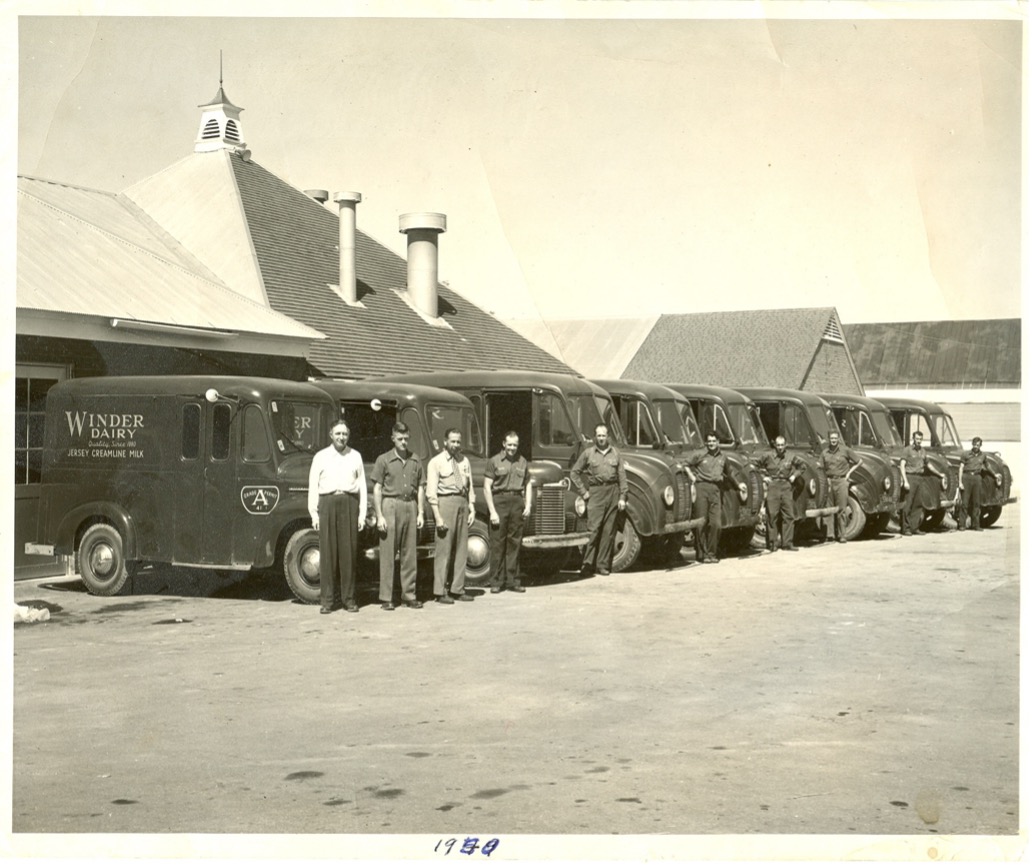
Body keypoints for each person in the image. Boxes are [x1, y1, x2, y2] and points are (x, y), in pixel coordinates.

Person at [308, 421, 367, 614]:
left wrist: (362, 514)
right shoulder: (320, 457)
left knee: (348, 553)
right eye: (338, 434)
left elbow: (363, 487)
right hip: (327, 503)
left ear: (348, 435)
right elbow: (313, 486)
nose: (341, 437)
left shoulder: (355, 455)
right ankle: (327, 601)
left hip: (349, 503)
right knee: (328, 553)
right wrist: (314, 514)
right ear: (330, 435)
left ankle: (349, 599)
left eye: (344, 434)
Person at [371, 422, 425, 610]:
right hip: (390, 505)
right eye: (399, 439)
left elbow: (420, 487)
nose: (403, 442)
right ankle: (386, 598)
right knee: (388, 553)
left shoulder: (415, 460)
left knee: (409, 553)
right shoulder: (383, 460)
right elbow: (377, 488)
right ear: (393, 438)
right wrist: (379, 516)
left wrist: (421, 513)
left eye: (406, 439)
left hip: (410, 505)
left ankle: (409, 595)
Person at [426, 428, 476, 604]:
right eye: (452, 441)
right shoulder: (436, 462)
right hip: (445, 503)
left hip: (462, 504)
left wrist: (471, 506)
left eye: (458, 442)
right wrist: (438, 517)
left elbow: (469, 487)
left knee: (462, 549)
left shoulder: (464, 461)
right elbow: (431, 493)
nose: (455, 445)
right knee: (444, 549)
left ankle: (457, 588)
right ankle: (440, 591)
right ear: (445, 441)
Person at [571, 424, 628, 577]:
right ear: (595, 437)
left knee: (608, 532)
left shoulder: (616, 453)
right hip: (595, 493)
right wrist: (584, 492)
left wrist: (622, 497)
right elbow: (574, 473)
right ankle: (587, 565)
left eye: (604, 435)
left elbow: (622, 477)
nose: (601, 438)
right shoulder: (588, 453)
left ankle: (602, 565)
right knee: (593, 530)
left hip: (613, 492)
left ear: (607, 436)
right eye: (599, 436)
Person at [683, 432, 747, 564]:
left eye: (713, 441)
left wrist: (739, 485)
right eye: (709, 441)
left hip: (716, 490)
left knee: (716, 524)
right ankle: (702, 554)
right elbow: (685, 464)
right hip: (702, 489)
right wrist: (693, 478)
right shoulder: (700, 454)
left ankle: (712, 553)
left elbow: (730, 473)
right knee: (701, 522)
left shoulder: (723, 457)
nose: (711, 443)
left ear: (718, 442)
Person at [484, 431, 533, 594]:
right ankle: (496, 581)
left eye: (515, 445)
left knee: (515, 542)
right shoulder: (494, 461)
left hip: (516, 502)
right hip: (500, 501)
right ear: (504, 444)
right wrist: (492, 511)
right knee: (497, 542)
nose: (512, 448)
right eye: (510, 444)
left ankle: (513, 580)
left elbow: (528, 484)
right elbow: (487, 487)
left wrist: (528, 505)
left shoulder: (523, 461)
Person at [752, 436, 806, 552]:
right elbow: (754, 465)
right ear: (775, 445)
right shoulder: (768, 456)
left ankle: (787, 543)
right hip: (773, 486)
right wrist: (763, 477)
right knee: (772, 515)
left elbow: (802, 466)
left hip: (786, 486)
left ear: (785, 445)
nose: (780, 447)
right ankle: (772, 543)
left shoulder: (791, 456)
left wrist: (794, 475)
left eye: (782, 445)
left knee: (789, 515)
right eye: (778, 445)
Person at [898, 430, 945, 536]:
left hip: (920, 479)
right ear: (913, 439)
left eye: (920, 439)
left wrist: (939, 474)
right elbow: (902, 465)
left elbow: (928, 465)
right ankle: (905, 528)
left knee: (918, 504)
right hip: (910, 477)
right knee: (908, 504)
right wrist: (905, 480)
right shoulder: (907, 450)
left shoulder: (923, 451)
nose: (919, 441)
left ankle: (914, 527)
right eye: (917, 439)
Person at [819, 430, 862, 544]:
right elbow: (821, 468)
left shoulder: (845, 450)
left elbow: (859, 461)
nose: (833, 440)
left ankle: (842, 535)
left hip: (842, 481)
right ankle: (830, 535)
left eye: (835, 438)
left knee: (841, 508)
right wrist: (826, 481)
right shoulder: (825, 453)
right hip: (829, 481)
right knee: (829, 508)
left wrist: (848, 474)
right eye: (831, 438)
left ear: (838, 439)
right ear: (829, 439)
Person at [957, 436, 999, 531]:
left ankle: (976, 525)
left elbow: (988, 466)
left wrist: (995, 475)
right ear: (972, 444)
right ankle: (962, 525)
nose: (976, 446)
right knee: (964, 502)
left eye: (978, 445)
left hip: (977, 478)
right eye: (975, 444)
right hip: (966, 477)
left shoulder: (983, 456)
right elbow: (961, 468)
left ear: (980, 445)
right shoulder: (965, 454)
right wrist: (960, 482)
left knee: (977, 503)